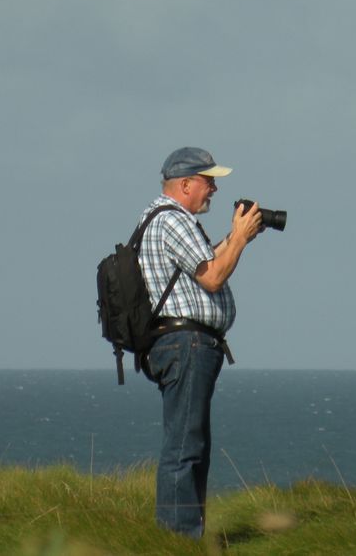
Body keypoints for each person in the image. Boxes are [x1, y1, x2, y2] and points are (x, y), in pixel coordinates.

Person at [136, 146, 263, 539]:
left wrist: (237, 237)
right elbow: (211, 277)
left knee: (192, 444)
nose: (213, 190)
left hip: (186, 345)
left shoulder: (169, 220)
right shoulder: (172, 221)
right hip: (185, 343)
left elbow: (205, 262)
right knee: (185, 447)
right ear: (186, 184)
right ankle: (178, 538)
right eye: (209, 182)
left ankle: (187, 531)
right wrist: (239, 240)